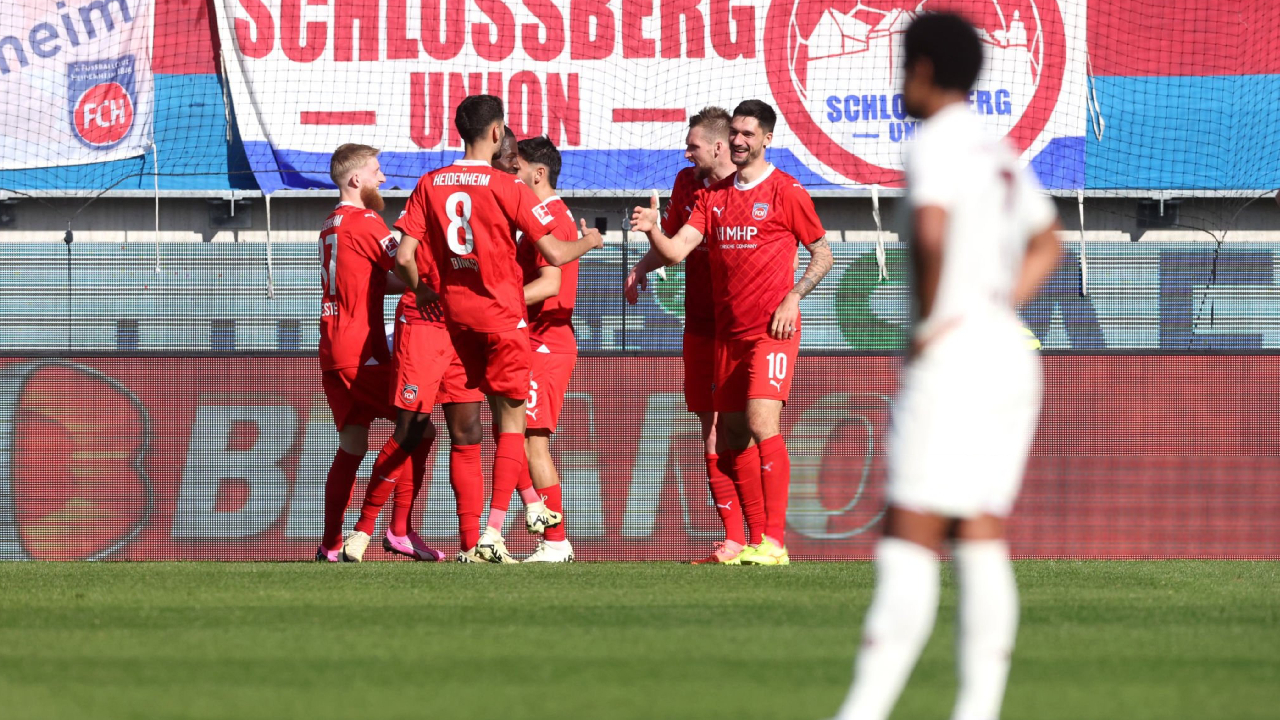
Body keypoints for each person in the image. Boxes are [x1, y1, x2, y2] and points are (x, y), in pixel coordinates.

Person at [830, 13, 1061, 720]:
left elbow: (929, 229)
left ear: (924, 69)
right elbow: (1048, 240)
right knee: (978, 527)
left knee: (910, 528)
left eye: (903, 64)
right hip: (1005, 352)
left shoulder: (934, 141)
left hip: (954, 357)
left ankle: (863, 711)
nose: (900, 80)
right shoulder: (997, 150)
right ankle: (978, 710)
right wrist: (996, 303)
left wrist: (931, 321)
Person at [394, 94, 603, 564]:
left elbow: (404, 257)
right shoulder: (508, 188)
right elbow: (555, 256)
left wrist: (424, 291)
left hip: (457, 320)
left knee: (485, 427)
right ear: (495, 133)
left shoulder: (430, 183)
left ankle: (523, 513)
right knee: (515, 427)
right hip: (505, 320)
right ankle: (493, 532)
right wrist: (589, 241)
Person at [630, 99, 834, 566]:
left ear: (766, 139)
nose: (741, 141)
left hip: (771, 331)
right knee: (730, 438)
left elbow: (823, 254)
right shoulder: (711, 197)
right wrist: (651, 232)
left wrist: (794, 296)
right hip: (726, 335)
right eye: (737, 133)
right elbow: (678, 251)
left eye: (749, 134)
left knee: (763, 424)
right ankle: (751, 541)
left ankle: (776, 544)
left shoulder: (787, 191)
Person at [342, 126, 546, 564]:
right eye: (509, 155)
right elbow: (404, 254)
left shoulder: (498, 193)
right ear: (492, 145)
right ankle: (360, 530)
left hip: (464, 326)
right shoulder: (444, 185)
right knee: (411, 429)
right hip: (424, 322)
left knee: (467, 432)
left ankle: (473, 545)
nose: (514, 164)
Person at [625, 107, 749, 564]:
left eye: (693, 144)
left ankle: (763, 535)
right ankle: (734, 540)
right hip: (699, 323)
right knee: (711, 430)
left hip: (743, 326)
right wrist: (642, 264)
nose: (686, 150)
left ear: (719, 146)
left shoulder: (751, 184)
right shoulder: (685, 182)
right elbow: (675, 245)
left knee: (748, 429)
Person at [314, 143, 414, 562]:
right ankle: (391, 530)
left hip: (332, 351)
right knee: (417, 427)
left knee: (353, 447)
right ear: (356, 179)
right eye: (376, 171)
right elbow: (406, 267)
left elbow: (376, 282)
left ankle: (330, 544)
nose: (383, 178)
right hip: (362, 352)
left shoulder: (329, 224)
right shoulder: (368, 220)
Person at [511, 135, 581, 563]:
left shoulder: (551, 218)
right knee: (513, 442)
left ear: (537, 173)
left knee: (532, 445)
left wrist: (500, 303)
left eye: (515, 168)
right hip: (531, 340)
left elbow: (550, 285)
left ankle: (556, 541)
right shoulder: (538, 216)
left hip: (546, 343)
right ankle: (540, 527)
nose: (509, 175)